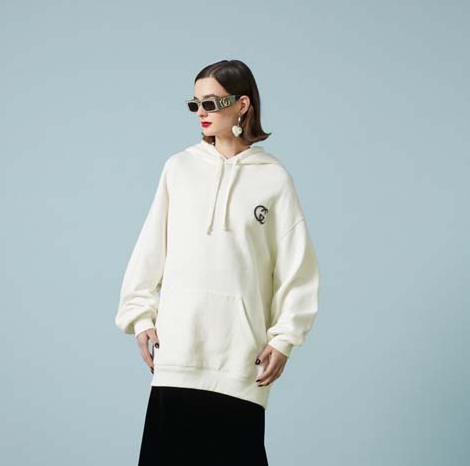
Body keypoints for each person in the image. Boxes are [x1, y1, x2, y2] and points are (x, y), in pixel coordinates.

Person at [115, 59, 321, 466]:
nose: (201, 113)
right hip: (178, 352)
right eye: (195, 104)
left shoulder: (273, 178)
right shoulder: (179, 168)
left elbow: (297, 269)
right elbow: (150, 248)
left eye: (210, 103)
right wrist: (140, 316)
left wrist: (284, 338)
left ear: (242, 104)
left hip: (240, 360)